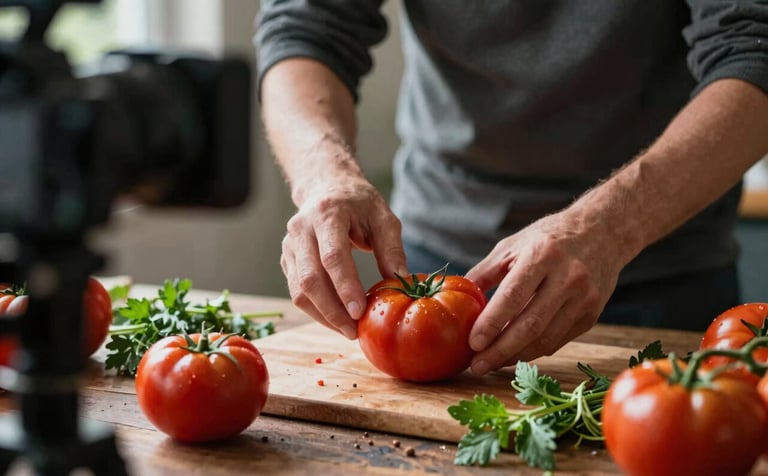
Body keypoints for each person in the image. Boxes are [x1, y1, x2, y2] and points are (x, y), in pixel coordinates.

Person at [255, 1, 768, 375]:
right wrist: (327, 174)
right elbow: (304, 27)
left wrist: (612, 226)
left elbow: (754, 48)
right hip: (434, 256)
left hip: (661, 267)